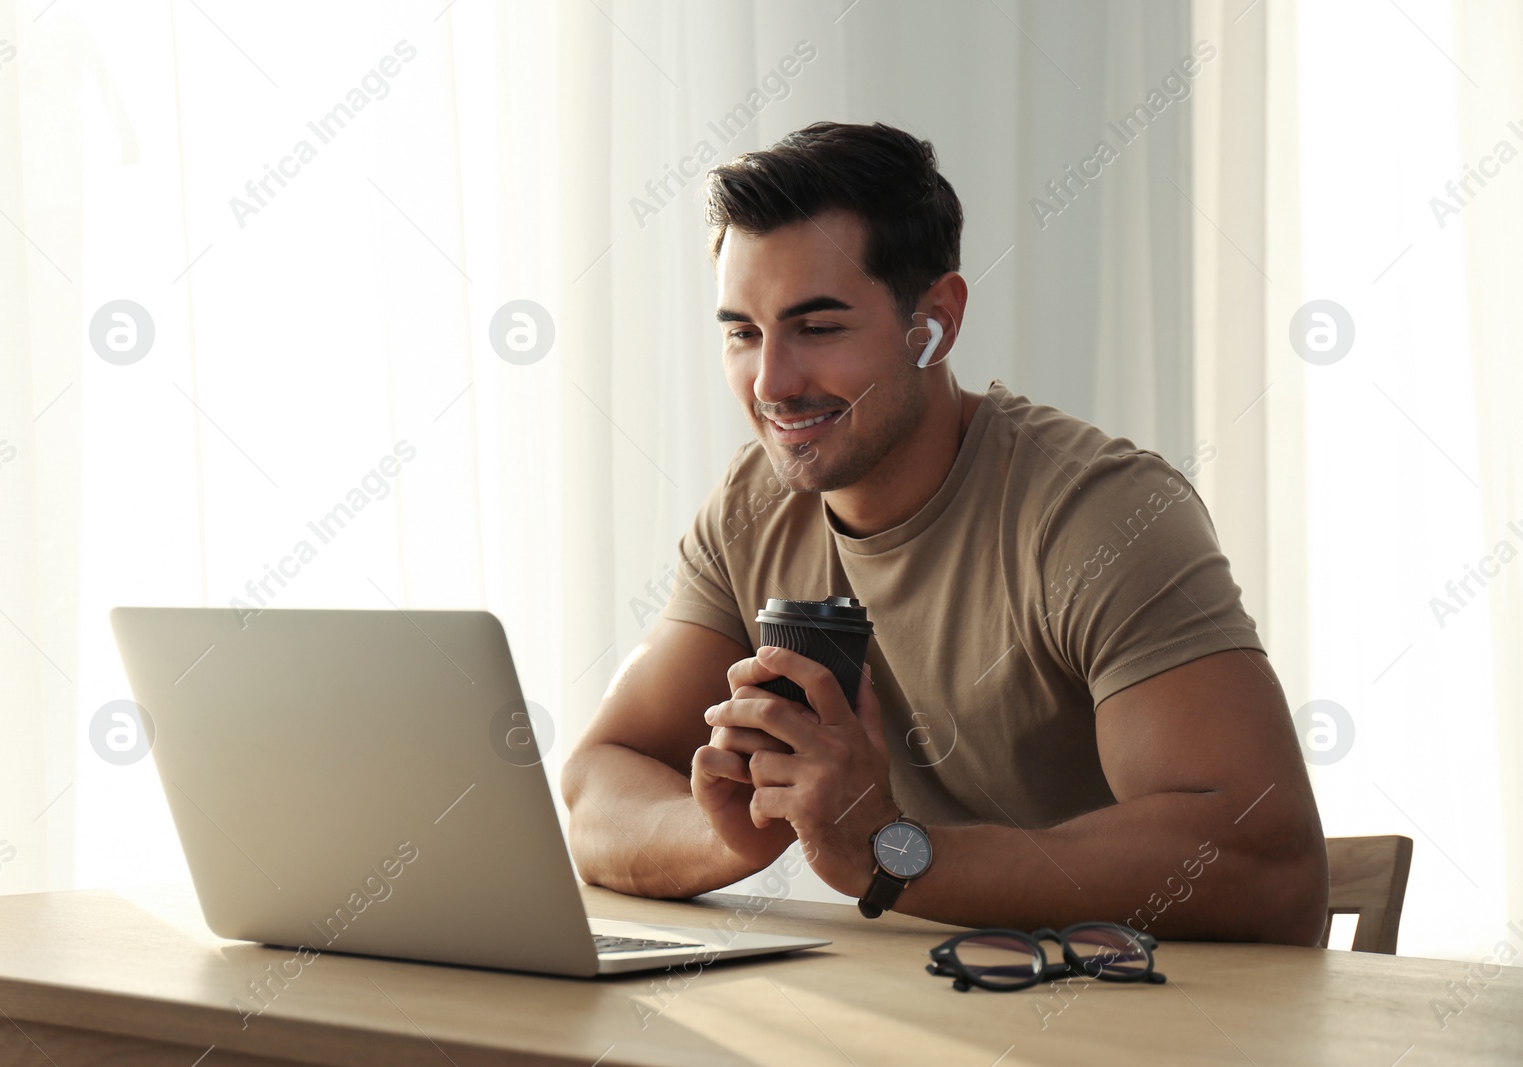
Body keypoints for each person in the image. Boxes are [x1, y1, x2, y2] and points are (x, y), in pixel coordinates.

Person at [561, 121, 1329, 944]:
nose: (772, 383)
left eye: (817, 328)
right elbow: (595, 784)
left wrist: (893, 854)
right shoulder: (752, 510)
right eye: (744, 332)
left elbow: (1269, 864)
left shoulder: (1099, 515)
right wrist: (727, 831)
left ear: (935, 320)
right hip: (935, 1005)